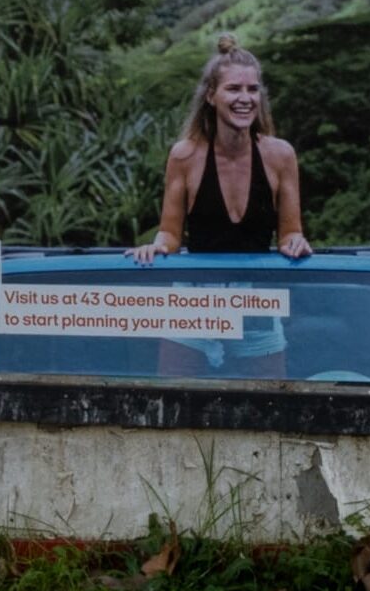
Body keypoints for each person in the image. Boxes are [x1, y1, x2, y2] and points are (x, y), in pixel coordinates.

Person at [130, 33, 313, 380]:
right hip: (193, 298)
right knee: (175, 399)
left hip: (256, 296)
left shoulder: (280, 155)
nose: (245, 98)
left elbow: (291, 234)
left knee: (267, 401)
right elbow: (170, 233)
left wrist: (296, 244)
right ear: (211, 96)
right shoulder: (184, 155)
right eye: (234, 89)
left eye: (252, 89)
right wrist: (156, 247)